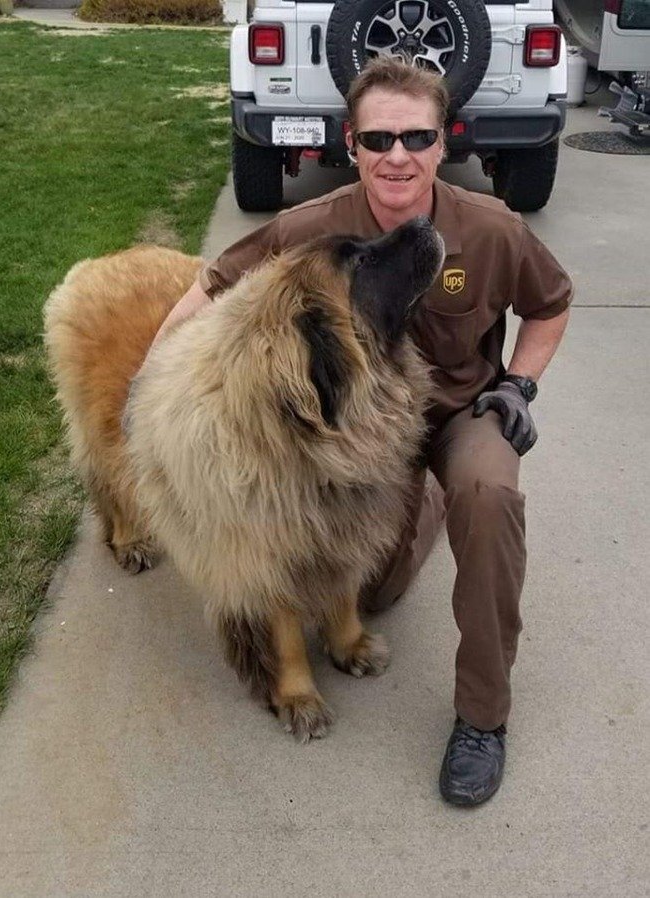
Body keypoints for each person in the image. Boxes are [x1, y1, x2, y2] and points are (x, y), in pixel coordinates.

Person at [154, 55, 572, 806]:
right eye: (379, 140)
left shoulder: (490, 227)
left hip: (454, 412)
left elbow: (550, 304)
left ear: (446, 142)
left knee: (486, 492)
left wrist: (519, 384)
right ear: (352, 143)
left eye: (416, 137)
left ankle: (483, 718)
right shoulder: (316, 226)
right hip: (359, 437)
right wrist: (148, 391)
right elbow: (211, 287)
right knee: (369, 593)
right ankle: (416, 509)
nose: (398, 156)